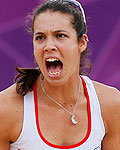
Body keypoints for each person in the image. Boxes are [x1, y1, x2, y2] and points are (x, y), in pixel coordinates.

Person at [0, 0, 120, 149]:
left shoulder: (111, 103)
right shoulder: (5, 108)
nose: (48, 46)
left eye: (60, 35)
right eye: (40, 37)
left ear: (82, 42)